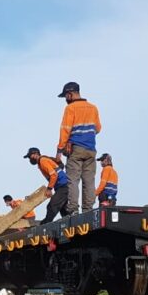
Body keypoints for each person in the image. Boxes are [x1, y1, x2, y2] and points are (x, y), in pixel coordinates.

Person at [54, 81, 102, 215]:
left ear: (70, 94)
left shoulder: (70, 108)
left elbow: (65, 130)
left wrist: (59, 150)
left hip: (75, 149)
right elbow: (98, 128)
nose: (65, 99)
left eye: (65, 96)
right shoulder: (93, 108)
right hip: (91, 150)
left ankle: (73, 209)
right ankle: (88, 210)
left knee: (73, 180)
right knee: (89, 181)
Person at [24, 147, 69, 224]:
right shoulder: (42, 161)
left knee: (52, 206)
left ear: (35, 154)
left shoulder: (42, 161)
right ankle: (69, 222)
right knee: (62, 208)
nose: (29, 159)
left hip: (63, 186)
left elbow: (54, 175)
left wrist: (49, 189)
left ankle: (45, 224)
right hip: (62, 186)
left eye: (29, 156)